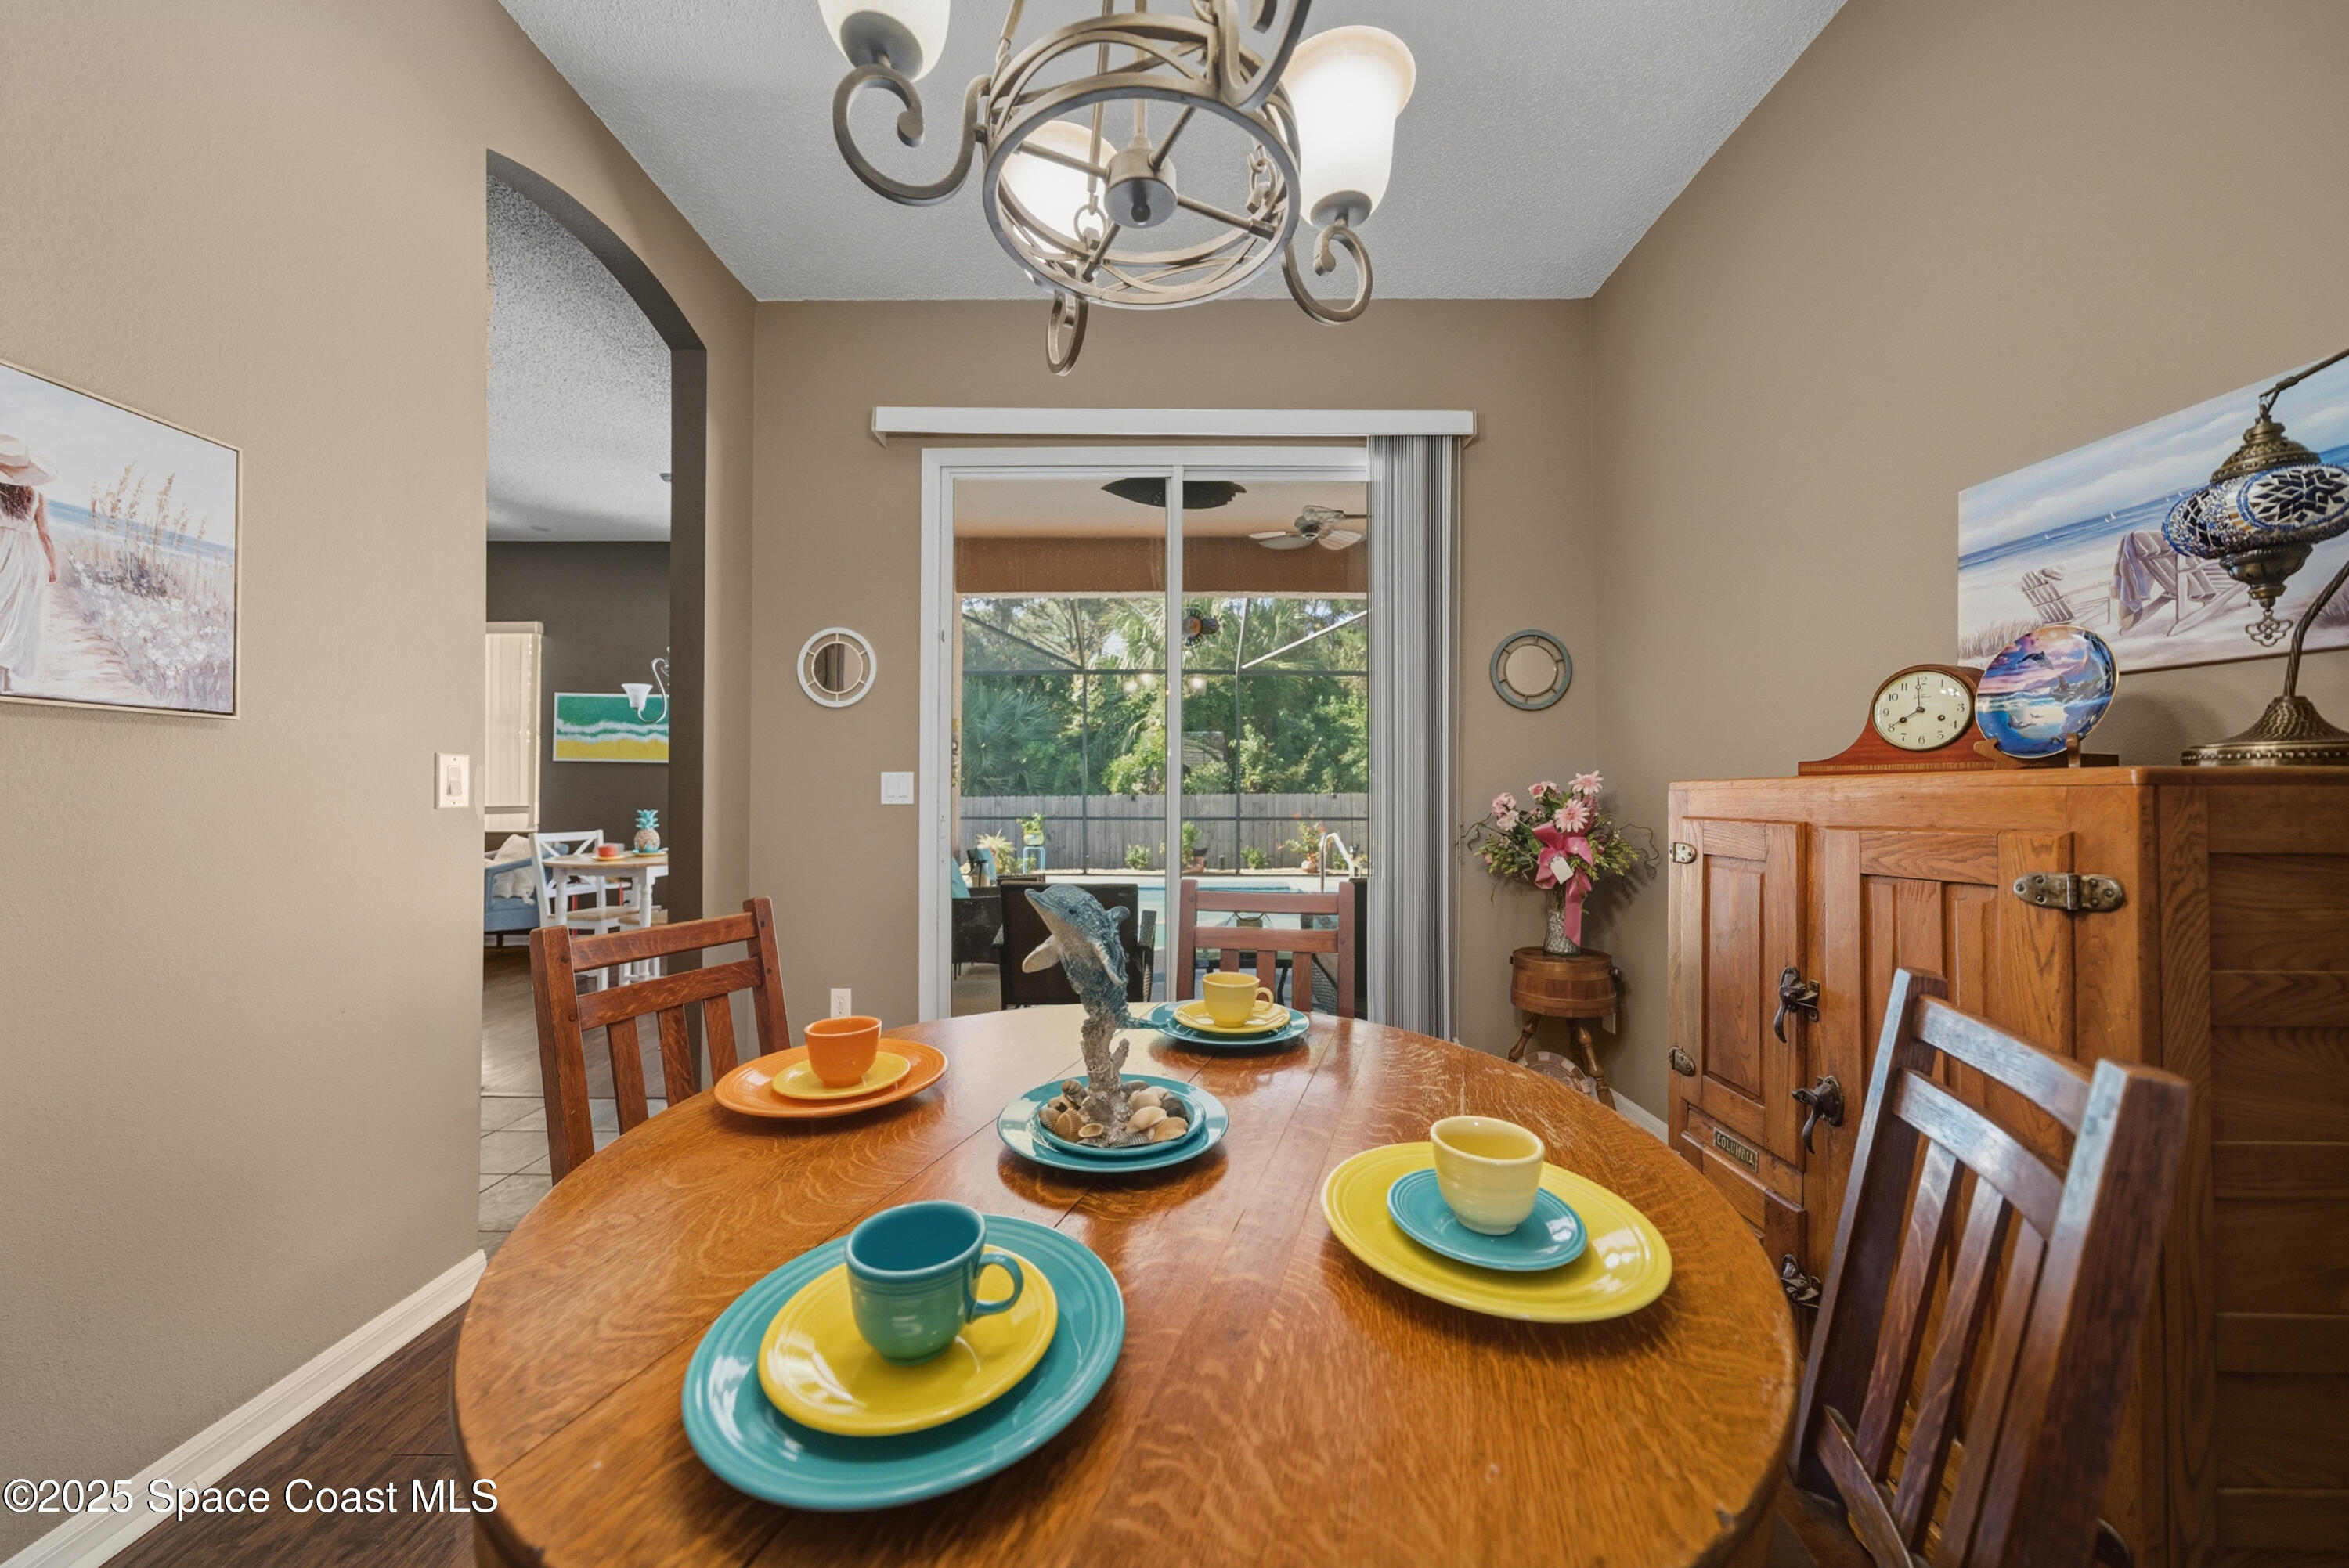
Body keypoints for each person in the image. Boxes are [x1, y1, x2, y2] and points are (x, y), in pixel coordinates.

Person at [0, 434, 60, 693]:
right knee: (16, 613)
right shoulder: (36, 496)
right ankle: (4, 672)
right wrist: (52, 565)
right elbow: (44, 534)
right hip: (26, 556)